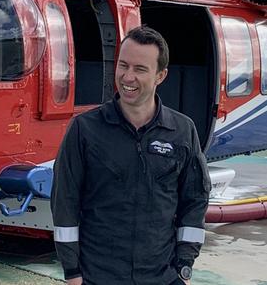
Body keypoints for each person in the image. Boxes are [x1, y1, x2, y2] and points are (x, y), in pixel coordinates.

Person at [51, 26, 211, 285]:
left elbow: (195, 200)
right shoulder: (84, 129)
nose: (127, 77)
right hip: (98, 277)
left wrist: (184, 266)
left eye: (140, 69)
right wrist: (72, 272)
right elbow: (64, 202)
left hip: (163, 277)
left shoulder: (182, 131)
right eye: (123, 65)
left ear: (161, 75)